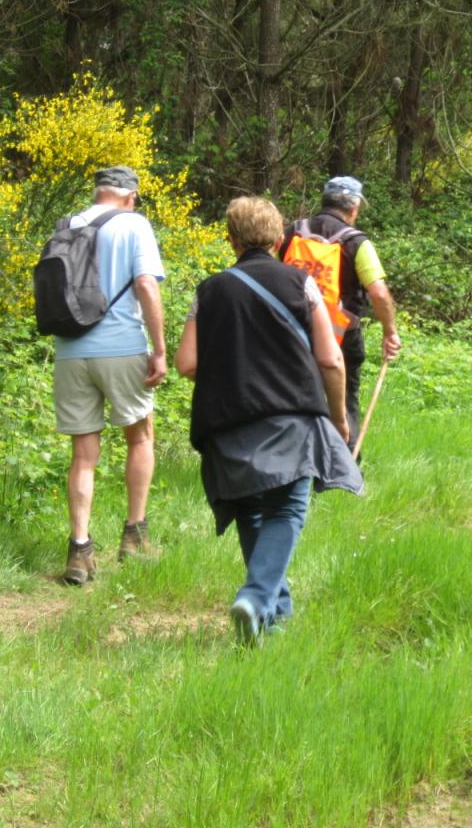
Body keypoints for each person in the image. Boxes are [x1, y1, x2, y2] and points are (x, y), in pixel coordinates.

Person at [176, 196, 363, 645]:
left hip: (226, 418)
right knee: (288, 506)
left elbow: (186, 363)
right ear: (280, 239)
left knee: (249, 508)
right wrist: (339, 419)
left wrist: (232, 368)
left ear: (231, 239)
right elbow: (331, 360)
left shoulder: (209, 290)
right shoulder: (300, 283)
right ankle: (257, 595)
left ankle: (271, 620)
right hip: (289, 417)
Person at [53, 166, 167, 585]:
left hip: (70, 349)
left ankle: (80, 551)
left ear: (98, 192)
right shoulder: (134, 224)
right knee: (140, 436)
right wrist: (159, 349)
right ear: (129, 196)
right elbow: (145, 284)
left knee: (82, 454)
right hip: (121, 347)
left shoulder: (67, 224)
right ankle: (134, 536)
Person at [280, 176, 402, 450]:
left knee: (293, 398)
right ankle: (344, 466)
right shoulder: (357, 242)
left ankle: (298, 460)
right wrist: (389, 332)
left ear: (325, 200)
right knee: (344, 402)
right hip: (341, 338)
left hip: (291, 333)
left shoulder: (292, 232)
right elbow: (379, 293)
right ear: (354, 208)